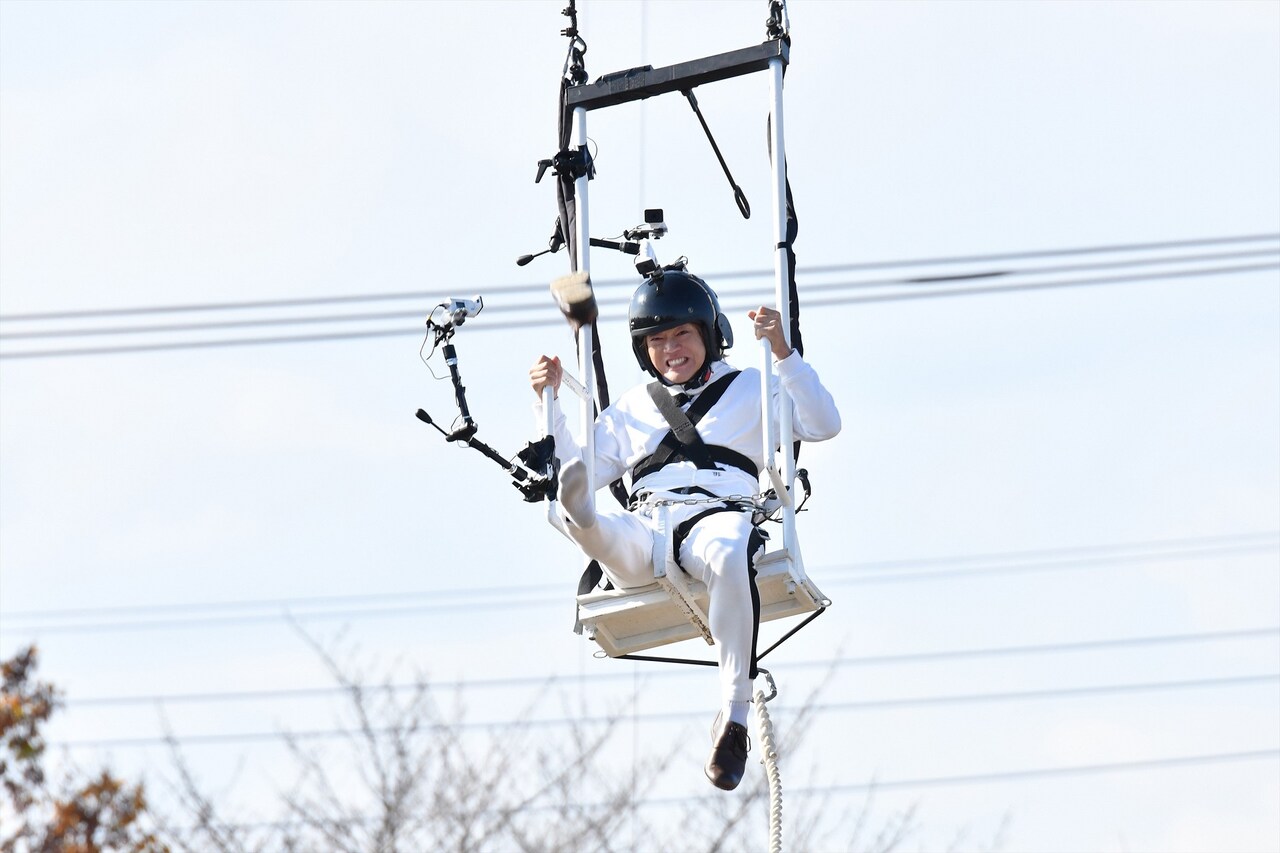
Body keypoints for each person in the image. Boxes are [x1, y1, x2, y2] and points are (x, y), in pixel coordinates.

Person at [529, 269, 841, 791]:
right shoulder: (633, 406)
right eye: (657, 340)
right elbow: (583, 457)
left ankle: (733, 716)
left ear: (708, 334)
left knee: (726, 548)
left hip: (716, 511)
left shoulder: (751, 386)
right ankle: (577, 507)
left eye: (681, 336)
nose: (671, 349)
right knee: (593, 519)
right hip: (647, 523)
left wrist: (783, 352)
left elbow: (823, 424)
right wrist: (549, 401)